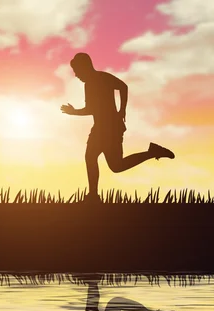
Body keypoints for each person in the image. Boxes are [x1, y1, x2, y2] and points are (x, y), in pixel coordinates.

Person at [61, 53, 175, 203]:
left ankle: (94, 196)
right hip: (104, 127)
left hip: (109, 128)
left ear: (85, 67)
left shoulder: (98, 80)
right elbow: (119, 89)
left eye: (77, 71)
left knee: (98, 159)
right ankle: (152, 152)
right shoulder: (92, 82)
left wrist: (122, 110)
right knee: (111, 163)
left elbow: (98, 104)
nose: (76, 75)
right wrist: (121, 110)